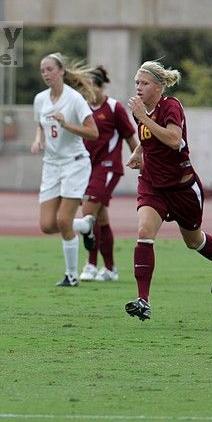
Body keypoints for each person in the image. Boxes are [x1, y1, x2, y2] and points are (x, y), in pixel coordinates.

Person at [124, 60, 212, 320]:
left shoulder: (171, 106)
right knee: (144, 232)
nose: (139, 87)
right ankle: (143, 300)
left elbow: (173, 139)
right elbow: (147, 139)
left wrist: (143, 117)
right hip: (153, 184)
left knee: (194, 241)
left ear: (159, 86)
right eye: (136, 83)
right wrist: (137, 152)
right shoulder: (140, 110)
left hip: (182, 188)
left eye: (144, 83)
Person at [31, 52, 99, 287]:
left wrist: (66, 124)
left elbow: (93, 132)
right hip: (51, 165)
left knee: (63, 219)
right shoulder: (40, 99)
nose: (45, 74)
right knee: (47, 225)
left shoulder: (74, 99)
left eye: (49, 69)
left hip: (75, 163)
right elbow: (41, 125)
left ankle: (71, 276)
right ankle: (86, 225)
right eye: (42, 70)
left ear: (61, 71)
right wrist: (38, 139)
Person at [78, 66, 138, 282]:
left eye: (88, 87)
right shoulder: (83, 108)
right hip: (88, 169)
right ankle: (110, 269)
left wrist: (141, 162)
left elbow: (131, 138)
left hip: (109, 167)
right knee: (100, 218)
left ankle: (91, 265)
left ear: (99, 86)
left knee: (88, 212)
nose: (86, 92)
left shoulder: (114, 108)